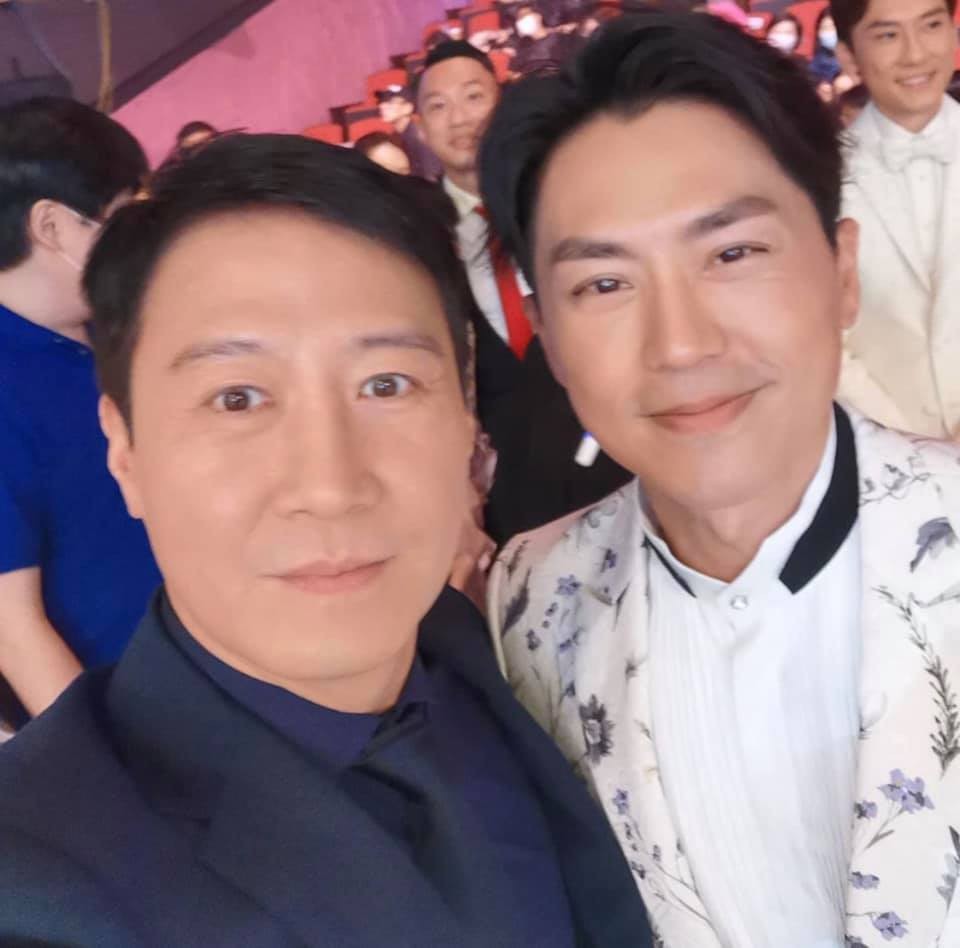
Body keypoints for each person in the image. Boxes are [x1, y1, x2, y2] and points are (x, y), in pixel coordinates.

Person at [0, 133, 651, 948]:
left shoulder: (497, 648)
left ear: (465, 413)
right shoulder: (36, 882)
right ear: (124, 449)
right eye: (237, 398)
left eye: (386, 384)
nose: (330, 485)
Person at [482, 12, 960, 947]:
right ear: (550, 338)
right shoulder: (528, 599)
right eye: (604, 284)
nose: (682, 345)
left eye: (733, 254)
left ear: (842, 271)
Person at [417, 40, 630, 543]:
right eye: (439, 106)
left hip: (616, 448)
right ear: (421, 128)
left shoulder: (563, 193)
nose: (459, 118)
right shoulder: (417, 234)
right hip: (508, 499)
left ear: (502, 99)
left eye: (473, 96)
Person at [0, 97, 159, 723]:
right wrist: (100, 764)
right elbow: (14, 628)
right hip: (136, 719)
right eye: (120, 219)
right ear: (52, 226)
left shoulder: (118, 331)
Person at [833, 0, 960, 437]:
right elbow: (821, 335)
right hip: (885, 450)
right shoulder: (819, 177)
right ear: (849, 55)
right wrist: (908, 444)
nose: (916, 53)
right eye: (888, 35)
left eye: (931, 26)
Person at [375, 85, 443, 180]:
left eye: (390, 102)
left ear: (408, 108)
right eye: (381, 101)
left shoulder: (419, 137)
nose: (382, 106)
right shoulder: (397, 135)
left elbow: (432, 178)